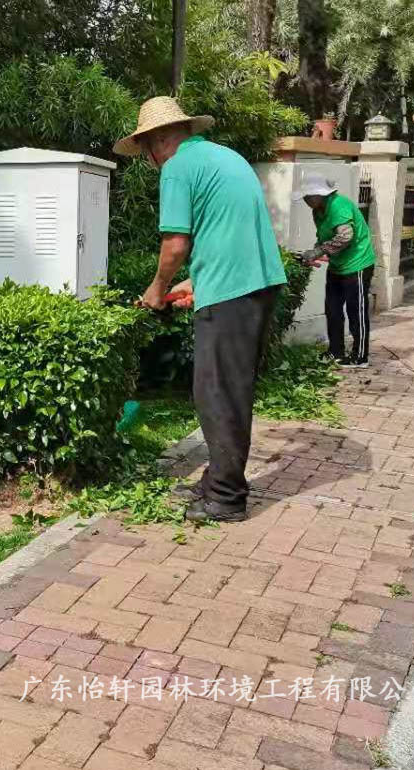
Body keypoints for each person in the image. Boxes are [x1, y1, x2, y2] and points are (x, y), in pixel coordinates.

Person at [114, 96, 287, 524]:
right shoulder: (224, 157)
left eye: (146, 153)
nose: (150, 162)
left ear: (157, 142)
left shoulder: (177, 168)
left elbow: (176, 243)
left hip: (233, 292)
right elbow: (228, 231)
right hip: (258, 284)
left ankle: (225, 498)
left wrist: (157, 290)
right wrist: (197, 282)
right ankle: (219, 480)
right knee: (230, 387)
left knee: (216, 392)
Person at [294, 175, 376, 368]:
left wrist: (318, 251)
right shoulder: (318, 211)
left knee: (356, 311)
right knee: (332, 310)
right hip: (338, 265)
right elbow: (323, 239)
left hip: (358, 263)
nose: (305, 201)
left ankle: (360, 356)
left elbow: (345, 237)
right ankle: (336, 352)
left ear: (319, 195)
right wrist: (313, 253)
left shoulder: (339, 205)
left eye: (308, 197)